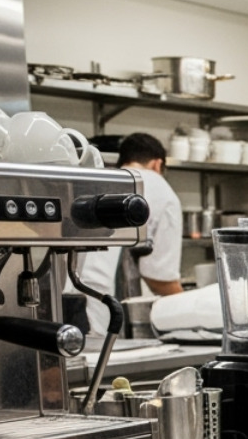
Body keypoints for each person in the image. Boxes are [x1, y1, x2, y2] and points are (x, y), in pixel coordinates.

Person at [69, 133, 184, 333]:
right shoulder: (164, 194)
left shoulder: (101, 180)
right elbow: (159, 278)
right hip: (110, 310)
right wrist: (189, 305)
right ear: (158, 164)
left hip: (72, 302)